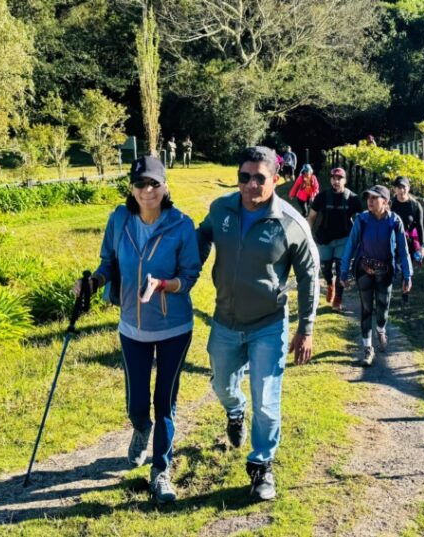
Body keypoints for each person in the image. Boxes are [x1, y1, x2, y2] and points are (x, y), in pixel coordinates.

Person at [197, 145, 318, 502]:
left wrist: (306, 327)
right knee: (222, 385)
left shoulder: (290, 224)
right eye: (244, 177)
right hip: (225, 320)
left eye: (259, 178)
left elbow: (310, 275)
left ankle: (261, 466)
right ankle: (235, 413)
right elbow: (201, 239)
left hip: (268, 324)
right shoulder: (221, 210)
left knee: (266, 400)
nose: (251, 185)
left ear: (276, 180)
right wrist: (183, 273)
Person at [77, 155, 201, 503]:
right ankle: (140, 427)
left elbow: (190, 276)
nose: (147, 190)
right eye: (140, 184)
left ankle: (160, 471)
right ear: (131, 188)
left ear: (165, 187)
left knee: (165, 402)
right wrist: (93, 282)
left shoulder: (181, 224)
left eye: (154, 184)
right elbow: (108, 263)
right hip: (132, 327)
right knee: (136, 402)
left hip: (175, 327)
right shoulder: (120, 219)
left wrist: (164, 284)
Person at [339, 185, 412, 366]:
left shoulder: (395, 221)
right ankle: (367, 349)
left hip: (385, 271)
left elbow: (403, 250)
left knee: (382, 307)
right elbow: (351, 244)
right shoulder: (362, 220)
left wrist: (407, 275)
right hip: (364, 269)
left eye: (374, 198)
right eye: (368, 198)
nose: (370, 202)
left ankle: (381, 328)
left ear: (385, 202)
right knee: (366, 309)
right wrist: (343, 270)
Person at [307, 167, 361, 311]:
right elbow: (311, 217)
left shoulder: (353, 198)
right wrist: (306, 235)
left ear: (345, 180)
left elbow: (363, 218)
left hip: (344, 239)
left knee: (341, 269)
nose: (336, 181)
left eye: (339, 178)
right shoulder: (322, 197)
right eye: (333, 178)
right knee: (325, 269)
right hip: (325, 239)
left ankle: (338, 299)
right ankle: (330, 284)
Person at [390, 177, 424, 303]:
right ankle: (386, 293)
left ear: (408, 188)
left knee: (407, 267)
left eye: (404, 187)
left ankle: (405, 293)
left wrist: (423, 246)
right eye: (399, 188)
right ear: (395, 189)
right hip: (392, 240)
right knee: (390, 266)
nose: (401, 190)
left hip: (409, 241)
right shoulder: (390, 204)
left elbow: (420, 227)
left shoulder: (415, 205)